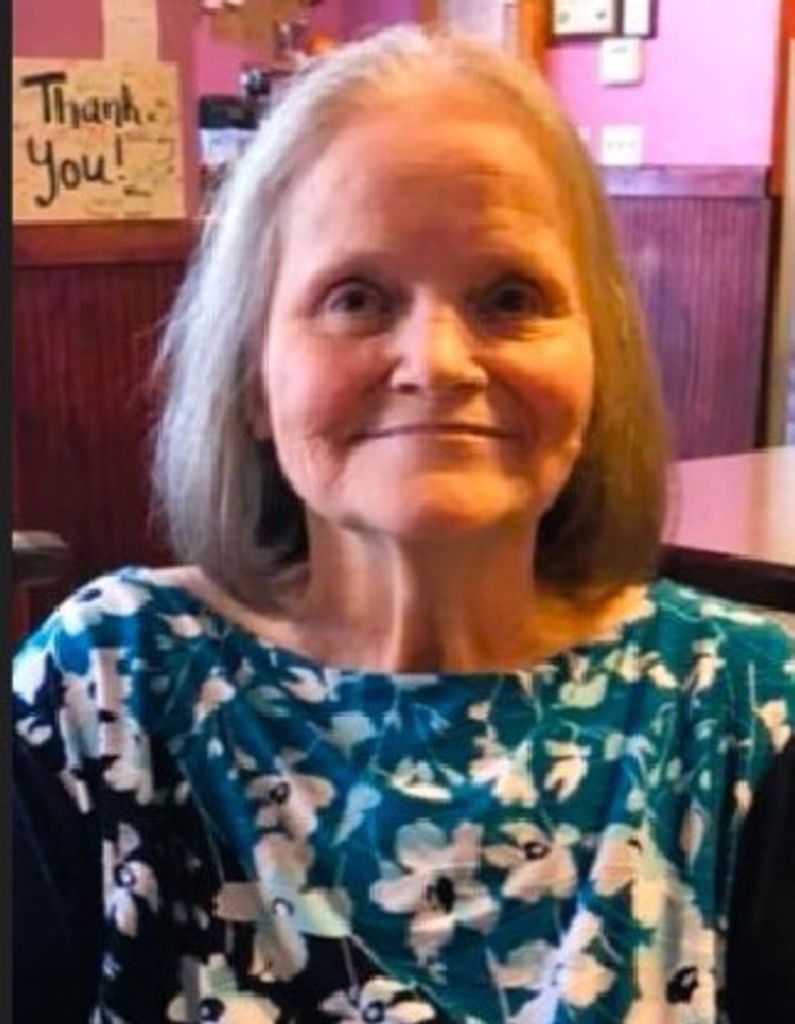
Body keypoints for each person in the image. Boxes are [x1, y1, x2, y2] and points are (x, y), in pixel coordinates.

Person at [12, 24, 795, 1024]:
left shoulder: (745, 712)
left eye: (510, 297)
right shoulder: (106, 690)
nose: (437, 363)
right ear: (253, 376)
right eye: (356, 298)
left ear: (595, 362)